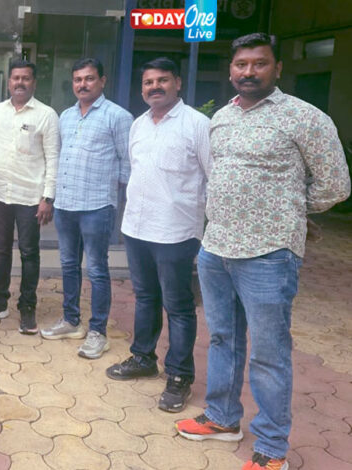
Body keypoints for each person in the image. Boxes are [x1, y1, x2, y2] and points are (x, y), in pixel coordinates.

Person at [176, 33, 350, 470]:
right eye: (241, 64)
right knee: (222, 338)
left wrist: (288, 209)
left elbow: (335, 185)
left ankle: (272, 448)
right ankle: (222, 418)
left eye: (259, 63)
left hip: (269, 253)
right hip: (216, 247)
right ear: (231, 69)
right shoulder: (222, 118)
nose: (248, 72)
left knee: (269, 353)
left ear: (277, 68)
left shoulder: (305, 118)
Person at [104, 57, 211, 414]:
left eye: (162, 80)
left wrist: (208, 225)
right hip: (137, 226)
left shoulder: (197, 125)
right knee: (146, 297)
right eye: (148, 82)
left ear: (177, 83)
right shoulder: (138, 125)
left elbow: (213, 177)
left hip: (176, 231)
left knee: (178, 306)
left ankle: (179, 375)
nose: (155, 87)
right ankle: (143, 358)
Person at [39, 58, 132, 360]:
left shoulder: (118, 116)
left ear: (102, 81)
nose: (83, 84)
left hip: (97, 206)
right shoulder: (65, 116)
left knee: (96, 269)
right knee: (68, 265)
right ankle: (71, 321)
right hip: (66, 204)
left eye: (89, 78)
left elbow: (128, 162)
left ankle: (98, 332)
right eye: (78, 79)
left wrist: (119, 196)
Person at [0, 59, 59, 334]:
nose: (20, 83)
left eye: (25, 78)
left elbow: (53, 159)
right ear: (9, 82)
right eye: (15, 78)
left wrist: (48, 197)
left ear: (33, 82)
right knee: (1, 251)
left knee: (29, 252)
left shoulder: (46, 115)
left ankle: (27, 306)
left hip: (30, 197)